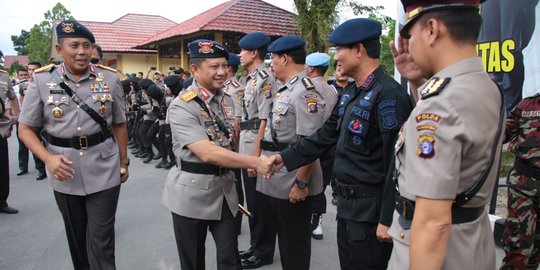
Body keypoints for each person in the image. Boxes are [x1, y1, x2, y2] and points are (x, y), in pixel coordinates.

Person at [271, 18, 414, 269]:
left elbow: (398, 164)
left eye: (339, 50)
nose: (335, 58)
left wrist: (387, 218)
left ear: (359, 50)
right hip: (348, 207)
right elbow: (325, 135)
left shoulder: (389, 96)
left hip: (371, 212)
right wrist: (284, 158)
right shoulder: (351, 92)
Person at [386, 1, 504, 269]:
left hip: (437, 252)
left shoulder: (439, 106)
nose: (409, 45)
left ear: (431, 29)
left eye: (410, 35)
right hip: (472, 243)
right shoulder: (486, 87)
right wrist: (417, 82)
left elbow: (433, 224)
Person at [18, 20, 129, 269]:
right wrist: (47, 159)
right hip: (64, 169)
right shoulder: (42, 80)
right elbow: (25, 129)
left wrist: (123, 161)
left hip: (104, 166)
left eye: (87, 46)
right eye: (74, 45)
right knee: (77, 239)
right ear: (60, 50)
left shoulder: (109, 78)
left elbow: (119, 125)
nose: (81, 51)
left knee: (102, 240)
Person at [161, 39, 275, 270]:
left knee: (230, 260)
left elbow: (232, 141)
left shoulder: (228, 99)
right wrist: (255, 161)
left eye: (224, 65)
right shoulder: (183, 105)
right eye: (214, 67)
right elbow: (207, 152)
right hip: (191, 194)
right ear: (195, 69)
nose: (222, 72)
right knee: (193, 261)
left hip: (226, 192)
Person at [253, 35, 327, 270]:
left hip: (292, 180)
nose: (270, 63)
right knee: (282, 240)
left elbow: (311, 143)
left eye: (272, 58)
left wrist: (302, 184)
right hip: (276, 175)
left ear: (284, 58)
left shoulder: (306, 90)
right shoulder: (287, 88)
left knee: (293, 247)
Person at [236, 32, 278, 269]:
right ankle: (255, 246)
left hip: (255, 144)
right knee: (252, 201)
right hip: (246, 140)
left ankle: (263, 252)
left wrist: (254, 157)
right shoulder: (249, 78)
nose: (239, 54)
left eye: (243, 51)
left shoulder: (265, 78)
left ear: (253, 53)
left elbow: (264, 119)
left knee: (260, 201)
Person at [501, 93, 540, 269]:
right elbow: (501, 135)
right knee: (518, 250)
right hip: (523, 187)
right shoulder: (527, 105)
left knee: (535, 253)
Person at [304, 52, 338, 240]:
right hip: (329, 145)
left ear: (310, 68)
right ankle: (318, 222)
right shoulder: (332, 89)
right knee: (321, 185)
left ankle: (310, 220)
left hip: (311, 142)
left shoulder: (305, 88)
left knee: (307, 183)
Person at [0, 49, 20, 214]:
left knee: (2, 167)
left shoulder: (4, 77)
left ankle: (2, 202)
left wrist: (15, 119)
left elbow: (12, 97)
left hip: (0, 128)